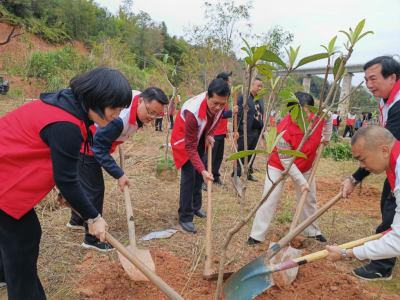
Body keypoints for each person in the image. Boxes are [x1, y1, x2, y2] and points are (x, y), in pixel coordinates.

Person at [0, 67, 132, 300]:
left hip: (6, 169)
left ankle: (6, 274)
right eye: (114, 108)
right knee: (23, 240)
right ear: (96, 99)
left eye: (121, 109)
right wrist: (93, 217)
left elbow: (58, 163)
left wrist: (69, 196)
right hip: (4, 181)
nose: (117, 115)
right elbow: (67, 178)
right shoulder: (66, 124)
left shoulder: (66, 104)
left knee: (16, 238)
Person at [67, 87, 168, 251]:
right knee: (94, 189)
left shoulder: (134, 99)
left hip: (92, 142)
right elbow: (97, 147)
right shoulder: (120, 119)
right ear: (141, 101)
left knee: (86, 186)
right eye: (150, 112)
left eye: (157, 115)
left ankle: (77, 219)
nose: (152, 117)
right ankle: (92, 239)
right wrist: (119, 174)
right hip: (86, 145)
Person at [340, 56, 400, 280]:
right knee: (389, 204)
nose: (369, 85)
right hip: (394, 164)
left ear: (392, 77)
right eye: (365, 80)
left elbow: (379, 148)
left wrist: (355, 178)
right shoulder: (387, 100)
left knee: (392, 211)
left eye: (373, 79)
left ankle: (382, 265)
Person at [247, 92, 332, 245]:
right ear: (290, 110)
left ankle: (311, 231)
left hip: (305, 164)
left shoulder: (318, 118)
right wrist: (301, 181)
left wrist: (326, 137)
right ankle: (256, 235)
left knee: (309, 198)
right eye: (299, 112)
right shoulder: (283, 129)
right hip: (279, 165)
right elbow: (286, 162)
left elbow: (329, 119)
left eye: (307, 112)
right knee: (269, 196)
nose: (304, 116)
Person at [326, 126, 400, 281]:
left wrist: (345, 252)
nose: (362, 166)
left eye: (362, 159)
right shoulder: (394, 162)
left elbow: (397, 241)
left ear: (384, 150)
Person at [171, 79, 230, 233]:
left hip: (200, 136)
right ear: (207, 96)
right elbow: (190, 147)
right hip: (184, 139)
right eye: (215, 103)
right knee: (190, 177)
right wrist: (203, 170)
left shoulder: (221, 105)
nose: (218, 107)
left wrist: (210, 133)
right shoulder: (193, 112)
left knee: (198, 177)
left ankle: (195, 207)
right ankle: (185, 216)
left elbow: (216, 120)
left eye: (222, 104)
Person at [202, 72, 238, 191]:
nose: (230, 84)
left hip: (221, 132)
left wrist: (226, 130)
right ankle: (204, 179)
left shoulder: (224, 96)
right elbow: (219, 114)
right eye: (229, 82)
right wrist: (231, 112)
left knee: (218, 157)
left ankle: (216, 176)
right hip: (213, 133)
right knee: (209, 157)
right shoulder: (215, 97)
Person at [233, 78, 264, 182]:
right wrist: (235, 129)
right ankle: (236, 174)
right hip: (245, 131)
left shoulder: (260, 99)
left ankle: (248, 173)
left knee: (252, 154)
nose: (260, 88)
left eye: (261, 86)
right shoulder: (243, 98)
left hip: (257, 132)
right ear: (251, 86)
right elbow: (237, 114)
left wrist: (263, 130)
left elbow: (261, 115)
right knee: (242, 153)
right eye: (258, 86)